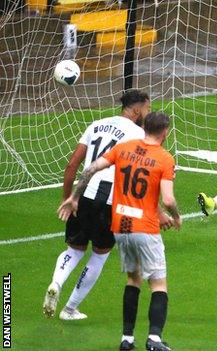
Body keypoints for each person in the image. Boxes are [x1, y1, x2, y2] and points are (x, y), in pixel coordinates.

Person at [58, 112, 181, 351]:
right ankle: (154, 339)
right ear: (164, 132)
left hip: (121, 226)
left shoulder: (123, 148)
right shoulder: (165, 158)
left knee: (133, 280)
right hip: (145, 228)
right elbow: (167, 199)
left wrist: (74, 197)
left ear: (144, 127)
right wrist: (176, 216)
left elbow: (90, 168)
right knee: (158, 284)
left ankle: (127, 339)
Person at [43, 89, 149, 320]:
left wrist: (68, 198)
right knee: (99, 254)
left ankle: (56, 282)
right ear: (138, 108)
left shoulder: (96, 125)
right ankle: (69, 309)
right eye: (147, 108)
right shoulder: (138, 134)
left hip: (83, 194)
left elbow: (71, 165)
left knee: (74, 248)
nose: (147, 113)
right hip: (109, 200)